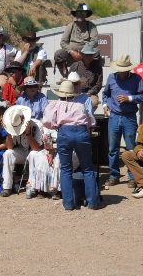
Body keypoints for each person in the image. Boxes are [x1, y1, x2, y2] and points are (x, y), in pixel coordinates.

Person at [42, 80, 101, 210]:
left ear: (60, 94)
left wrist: (56, 125)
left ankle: (68, 204)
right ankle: (93, 202)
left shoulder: (55, 105)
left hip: (64, 133)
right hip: (81, 133)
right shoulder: (80, 105)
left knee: (66, 169)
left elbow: (47, 121)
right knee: (87, 169)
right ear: (73, 94)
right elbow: (92, 122)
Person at [102, 54, 143, 187]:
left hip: (129, 116)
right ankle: (114, 175)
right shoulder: (111, 77)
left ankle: (133, 176)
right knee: (113, 148)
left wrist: (130, 98)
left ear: (129, 69)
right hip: (114, 116)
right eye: (120, 70)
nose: (121, 72)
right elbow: (105, 94)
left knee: (131, 148)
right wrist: (105, 105)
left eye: (124, 70)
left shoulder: (137, 79)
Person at [1, 105, 44, 197]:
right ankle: (7, 187)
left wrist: (28, 134)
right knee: (8, 153)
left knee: (33, 154)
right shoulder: (13, 125)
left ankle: (32, 186)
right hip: (23, 151)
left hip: (38, 152)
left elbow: (36, 148)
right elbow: (10, 147)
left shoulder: (38, 125)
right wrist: (8, 133)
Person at [54, 3, 99, 78]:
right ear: (76, 14)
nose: (80, 15)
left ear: (86, 15)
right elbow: (63, 42)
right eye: (78, 13)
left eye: (82, 13)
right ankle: (66, 76)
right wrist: (71, 51)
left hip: (86, 53)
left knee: (97, 53)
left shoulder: (91, 26)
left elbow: (94, 41)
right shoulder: (70, 25)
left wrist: (84, 52)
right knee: (58, 54)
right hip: (71, 54)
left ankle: (93, 75)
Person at [68, 43, 103, 108]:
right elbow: (69, 81)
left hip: (91, 93)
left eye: (90, 55)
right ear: (82, 55)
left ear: (93, 55)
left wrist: (90, 93)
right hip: (75, 93)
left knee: (93, 102)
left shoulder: (98, 68)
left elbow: (98, 84)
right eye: (86, 55)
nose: (88, 57)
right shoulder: (75, 66)